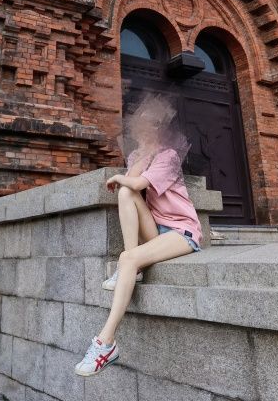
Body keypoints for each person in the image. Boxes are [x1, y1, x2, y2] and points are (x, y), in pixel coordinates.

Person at [75, 96, 203, 377]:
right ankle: (131, 267)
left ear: (158, 128)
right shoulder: (137, 156)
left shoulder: (169, 156)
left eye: (147, 125)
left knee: (128, 249)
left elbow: (139, 182)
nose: (140, 130)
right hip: (155, 228)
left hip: (181, 230)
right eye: (138, 125)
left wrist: (126, 174)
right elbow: (131, 184)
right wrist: (143, 154)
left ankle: (105, 342)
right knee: (125, 193)